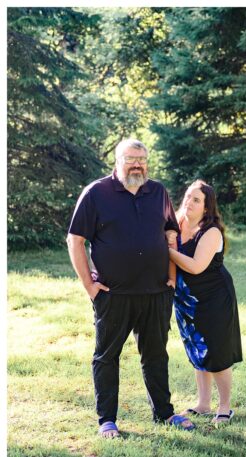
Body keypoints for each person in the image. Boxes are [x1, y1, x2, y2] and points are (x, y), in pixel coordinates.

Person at [67, 138, 196, 438]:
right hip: (113, 294)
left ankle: (164, 413)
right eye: (130, 159)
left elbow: (170, 233)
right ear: (117, 161)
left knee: (156, 355)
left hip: (156, 292)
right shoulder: (96, 193)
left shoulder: (158, 191)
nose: (137, 164)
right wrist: (89, 285)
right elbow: (75, 241)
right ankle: (107, 420)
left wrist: (172, 278)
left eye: (142, 159)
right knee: (107, 356)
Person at [167, 180, 243, 425]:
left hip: (214, 298)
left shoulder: (211, 232)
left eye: (196, 200)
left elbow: (197, 266)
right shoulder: (176, 224)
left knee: (217, 353)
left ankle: (225, 407)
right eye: (188, 196)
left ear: (207, 208)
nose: (189, 202)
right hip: (187, 300)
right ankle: (203, 404)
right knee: (197, 351)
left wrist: (165, 250)